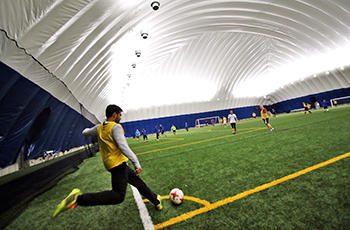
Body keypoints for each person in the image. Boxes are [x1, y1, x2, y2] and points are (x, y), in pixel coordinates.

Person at [52, 105, 162, 218]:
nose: (120, 117)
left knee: (138, 182)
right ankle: (78, 199)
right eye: (119, 115)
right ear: (114, 114)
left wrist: (84, 129)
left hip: (111, 164)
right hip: (118, 164)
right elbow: (123, 147)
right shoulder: (115, 127)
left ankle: (156, 200)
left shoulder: (100, 127)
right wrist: (136, 163)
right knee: (118, 196)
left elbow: (86, 132)